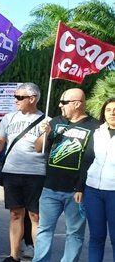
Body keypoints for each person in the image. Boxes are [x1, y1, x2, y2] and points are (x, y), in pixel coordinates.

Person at [28, 88, 96, 262]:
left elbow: (91, 161)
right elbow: (38, 148)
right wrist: (46, 133)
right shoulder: (56, 122)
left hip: (76, 191)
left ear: (77, 104)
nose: (60, 105)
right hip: (50, 188)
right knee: (44, 230)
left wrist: (81, 187)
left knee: (74, 233)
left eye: (64, 102)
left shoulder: (94, 127)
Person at [0, 82, 46, 262]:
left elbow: (43, 148)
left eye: (19, 97)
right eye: (15, 96)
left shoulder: (46, 120)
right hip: (12, 172)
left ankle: (39, 256)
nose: (15, 100)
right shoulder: (9, 118)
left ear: (32, 99)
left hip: (36, 173)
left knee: (35, 216)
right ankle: (14, 256)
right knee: (15, 214)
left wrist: (46, 134)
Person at [78, 98, 115, 262]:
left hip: (114, 191)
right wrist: (79, 188)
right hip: (92, 190)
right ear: (104, 113)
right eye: (108, 110)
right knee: (96, 237)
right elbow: (86, 159)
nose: (112, 113)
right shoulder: (97, 132)